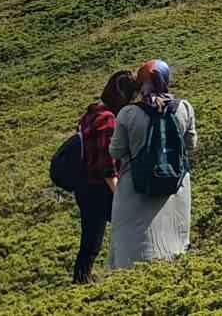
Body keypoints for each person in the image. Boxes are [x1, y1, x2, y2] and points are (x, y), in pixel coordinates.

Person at [108, 60, 197, 271]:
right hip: (175, 185)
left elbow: (116, 151)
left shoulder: (128, 114)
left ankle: (131, 281)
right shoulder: (184, 107)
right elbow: (191, 145)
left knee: (134, 241)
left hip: (136, 185)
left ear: (141, 84)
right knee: (175, 239)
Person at [73, 70, 139, 283]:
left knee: (91, 240)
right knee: (130, 226)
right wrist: (119, 194)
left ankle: (82, 278)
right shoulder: (108, 120)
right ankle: (130, 272)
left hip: (84, 185)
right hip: (99, 188)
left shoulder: (92, 113)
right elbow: (107, 165)